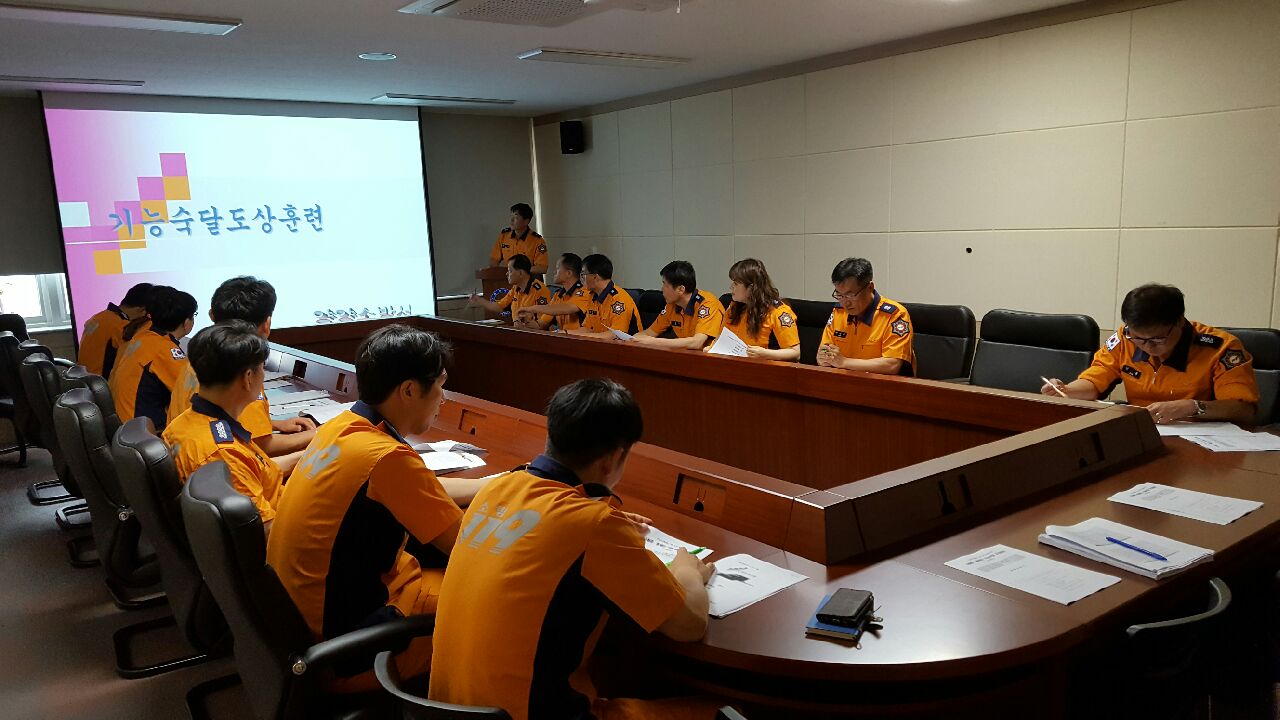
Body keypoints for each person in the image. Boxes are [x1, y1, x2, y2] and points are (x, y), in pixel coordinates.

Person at [428, 378, 719, 720]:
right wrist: (687, 570)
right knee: (718, 711)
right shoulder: (594, 525)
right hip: (523, 714)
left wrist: (600, 520)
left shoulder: (497, 488)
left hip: (443, 708)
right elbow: (689, 626)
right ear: (613, 459)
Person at [267, 324, 490, 691]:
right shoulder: (388, 458)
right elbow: (468, 547)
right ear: (409, 390)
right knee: (491, 606)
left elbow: (418, 489)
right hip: (345, 651)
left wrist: (490, 485)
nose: (443, 399)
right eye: (440, 386)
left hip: (295, 629)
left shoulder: (343, 428)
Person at [1041, 283, 1259, 425]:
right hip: (1143, 431)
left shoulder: (1221, 348)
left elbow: (1243, 409)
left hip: (1202, 440)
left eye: (1157, 339)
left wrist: (1193, 407)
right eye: (1138, 338)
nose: (1147, 346)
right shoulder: (1124, 339)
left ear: (1179, 322)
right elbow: (1096, 380)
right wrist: (1067, 390)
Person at [167, 276, 315, 470]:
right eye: (261, 368)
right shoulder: (241, 370)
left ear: (212, 315)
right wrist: (319, 436)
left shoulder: (204, 355)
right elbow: (261, 448)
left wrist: (274, 424)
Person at [162, 321, 283, 532]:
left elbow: (257, 467)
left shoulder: (184, 423)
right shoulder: (222, 453)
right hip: (279, 529)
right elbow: (265, 532)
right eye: (262, 368)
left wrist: (310, 457)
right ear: (248, 378)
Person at [107, 285, 197, 429]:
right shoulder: (164, 349)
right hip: (143, 430)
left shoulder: (143, 336)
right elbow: (191, 390)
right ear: (186, 323)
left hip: (124, 423)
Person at [817, 257, 915, 375]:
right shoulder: (838, 312)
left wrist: (844, 362)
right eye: (839, 295)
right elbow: (823, 351)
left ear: (870, 287)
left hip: (881, 384)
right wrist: (823, 358)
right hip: (843, 382)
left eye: (850, 295)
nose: (845, 303)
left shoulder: (894, 315)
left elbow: (892, 365)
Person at [521, 253, 641, 338]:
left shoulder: (619, 300)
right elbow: (588, 329)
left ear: (595, 277)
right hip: (601, 347)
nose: (581, 278)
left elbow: (615, 335)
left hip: (627, 351)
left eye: (583, 274)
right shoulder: (592, 297)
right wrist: (563, 333)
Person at [632, 261, 725, 351]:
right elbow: (649, 333)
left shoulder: (707, 304)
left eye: (665, 285)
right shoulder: (672, 305)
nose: (662, 289)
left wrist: (654, 342)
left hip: (712, 357)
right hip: (687, 355)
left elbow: (697, 343)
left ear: (681, 289)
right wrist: (632, 338)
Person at [722, 258, 801, 361]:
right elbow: (722, 339)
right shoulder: (734, 307)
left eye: (736, 283)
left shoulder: (778, 312)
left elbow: (795, 353)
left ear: (751, 288)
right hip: (734, 364)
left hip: (764, 366)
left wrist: (765, 354)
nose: (731, 287)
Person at [78, 282, 152, 379]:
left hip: (86, 379)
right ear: (143, 310)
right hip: (103, 382)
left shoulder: (98, 317)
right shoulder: (122, 326)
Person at [518, 252, 591, 332]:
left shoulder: (585, 292)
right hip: (563, 337)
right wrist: (526, 321)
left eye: (557, 268)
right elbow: (541, 324)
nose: (554, 272)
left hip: (580, 338)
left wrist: (532, 308)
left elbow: (566, 308)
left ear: (568, 273)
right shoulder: (558, 295)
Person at [468, 254, 551, 321]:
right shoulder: (515, 288)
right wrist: (480, 301)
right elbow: (500, 307)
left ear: (520, 273)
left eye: (510, 271)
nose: (507, 274)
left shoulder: (540, 290)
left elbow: (544, 322)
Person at [489, 203, 548, 275]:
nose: (511, 220)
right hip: (507, 278)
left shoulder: (538, 240)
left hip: (528, 279)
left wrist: (519, 271)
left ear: (526, 221)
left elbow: (542, 268)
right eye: (511, 216)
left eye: (516, 217)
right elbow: (494, 260)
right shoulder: (504, 236)